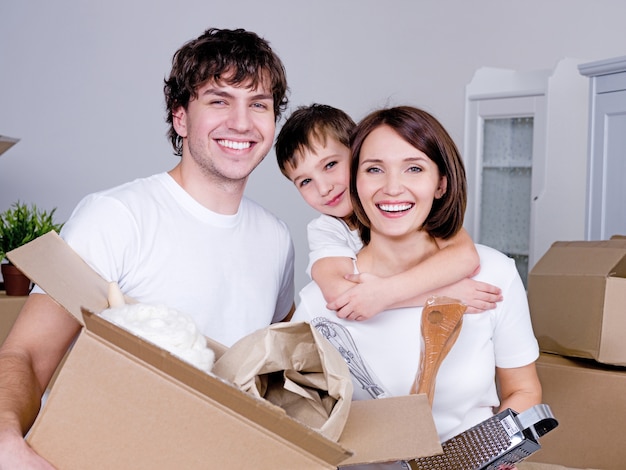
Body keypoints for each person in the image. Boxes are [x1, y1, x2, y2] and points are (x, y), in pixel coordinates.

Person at [0, 28, 295, 468]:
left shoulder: (277, 239)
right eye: (218, 100)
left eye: (258, 105)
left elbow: (268, 372)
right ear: (180, 117)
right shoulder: (118, 216)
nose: (241, 122)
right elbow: (25, 353)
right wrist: (6, 441)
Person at [292, 106, 541, 469]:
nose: (393, 187)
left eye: (414, 168)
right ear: (355, 183)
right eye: (374, 169)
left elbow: (524, 390)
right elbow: (296, 424)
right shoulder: (320, 302)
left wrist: (491, 455)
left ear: (440, 183)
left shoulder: (494, 276)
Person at [275, 103, 502, 320]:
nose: (324, 188)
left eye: (330, 165)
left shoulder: (409, 211)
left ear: (359, 155)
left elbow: (465, 257)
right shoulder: (326, 229)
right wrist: (440, 296)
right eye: (305, 181)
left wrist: (383, 294)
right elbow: (341, 295)